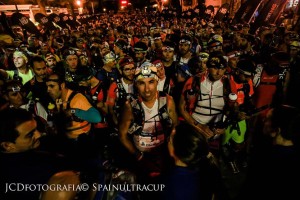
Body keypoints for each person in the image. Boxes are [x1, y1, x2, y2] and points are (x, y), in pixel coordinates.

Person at [118, 62, 178, 186]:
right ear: (136, 84)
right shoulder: (130, 106)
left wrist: (171, 152)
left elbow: (175, 127)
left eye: (151, 82)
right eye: (142, 83)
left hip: (162, 152)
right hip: (140, 155)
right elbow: (122, 135)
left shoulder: (167, 101)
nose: (147, 89)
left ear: (157, 82)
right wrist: (138, 156)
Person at [0, 108, 80, 200]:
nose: (38, 134)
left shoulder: (30, 148)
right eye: (30, 135)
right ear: (7, 145)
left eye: (36, 129)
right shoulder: (29, 173)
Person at [163, 123, 228, 200]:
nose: (168, 142)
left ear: (173, 151)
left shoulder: (171, 182)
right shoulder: (209, 167)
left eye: (169, 140)